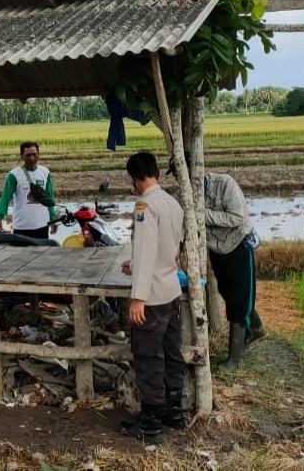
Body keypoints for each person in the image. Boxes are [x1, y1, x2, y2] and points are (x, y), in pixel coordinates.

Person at [118, 151, 186, 444]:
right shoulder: (172, 203)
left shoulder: (144, 205)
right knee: (172, 353)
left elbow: (147, 251)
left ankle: (150, 425)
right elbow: (171, 249)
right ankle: (174, 412)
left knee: (148, 357)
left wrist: (138, 297)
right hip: (171, 290)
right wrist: (133, 264)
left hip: (153, 297)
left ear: (133, 178)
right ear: (156, 173)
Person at [203, 169, 266, 371]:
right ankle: (256, 328)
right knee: (227, 293)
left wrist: (201, 214)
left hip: (238, 244)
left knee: (239, 300)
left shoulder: (224, 184)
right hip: (217, 250)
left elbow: (236, 217)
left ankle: (233, 361)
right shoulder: (184, 194)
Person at [0, 141, 58, 239]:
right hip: (22, 227)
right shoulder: (14, 175)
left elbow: (50, 197)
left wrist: (53, 219)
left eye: (34, 154)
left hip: (42, 225)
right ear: (22, 156)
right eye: (28, 155)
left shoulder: (45, 172)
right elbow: (5, 198)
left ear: (38, 154)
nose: (32, 158)